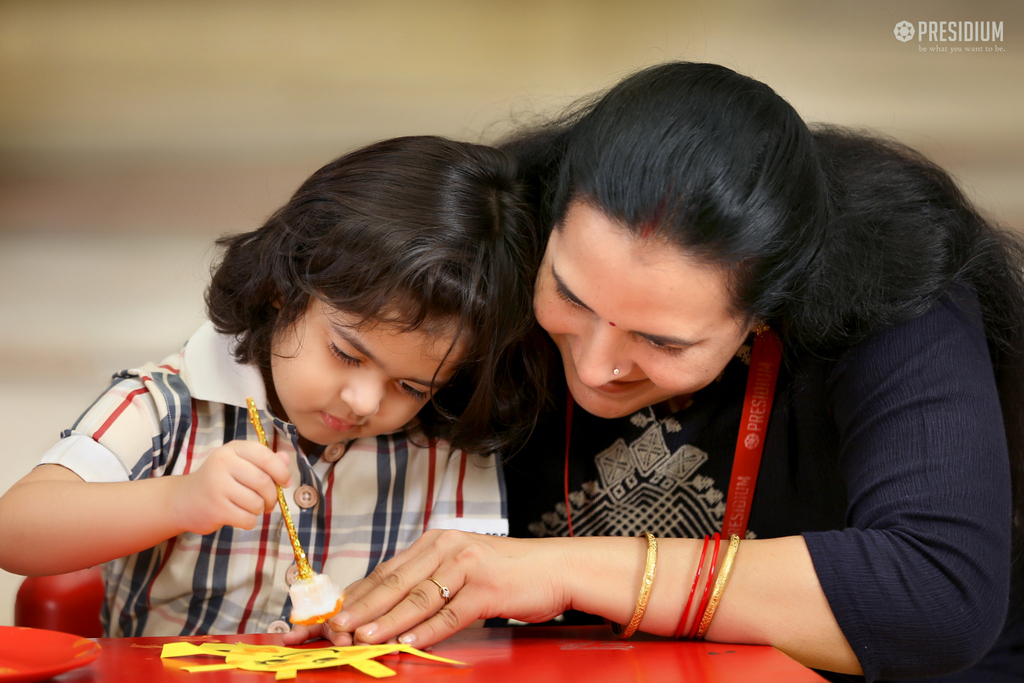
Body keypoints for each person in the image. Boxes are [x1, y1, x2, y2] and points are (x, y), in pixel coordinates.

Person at [288, 64, 1024, 683]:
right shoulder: (496, 235)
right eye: (570, 296)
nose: (598, 364)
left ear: (767, 310)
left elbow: (939, 591)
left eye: (661, 341)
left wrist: (560, 569)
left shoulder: (894, 285)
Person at [0, 136, 548, 638]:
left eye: (411, 385)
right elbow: (16, 530)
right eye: (345, 353)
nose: (365, 401)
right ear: (287, 287)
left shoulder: (445, 445)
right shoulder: (171, 406)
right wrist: (179, 500)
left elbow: (481, 621)